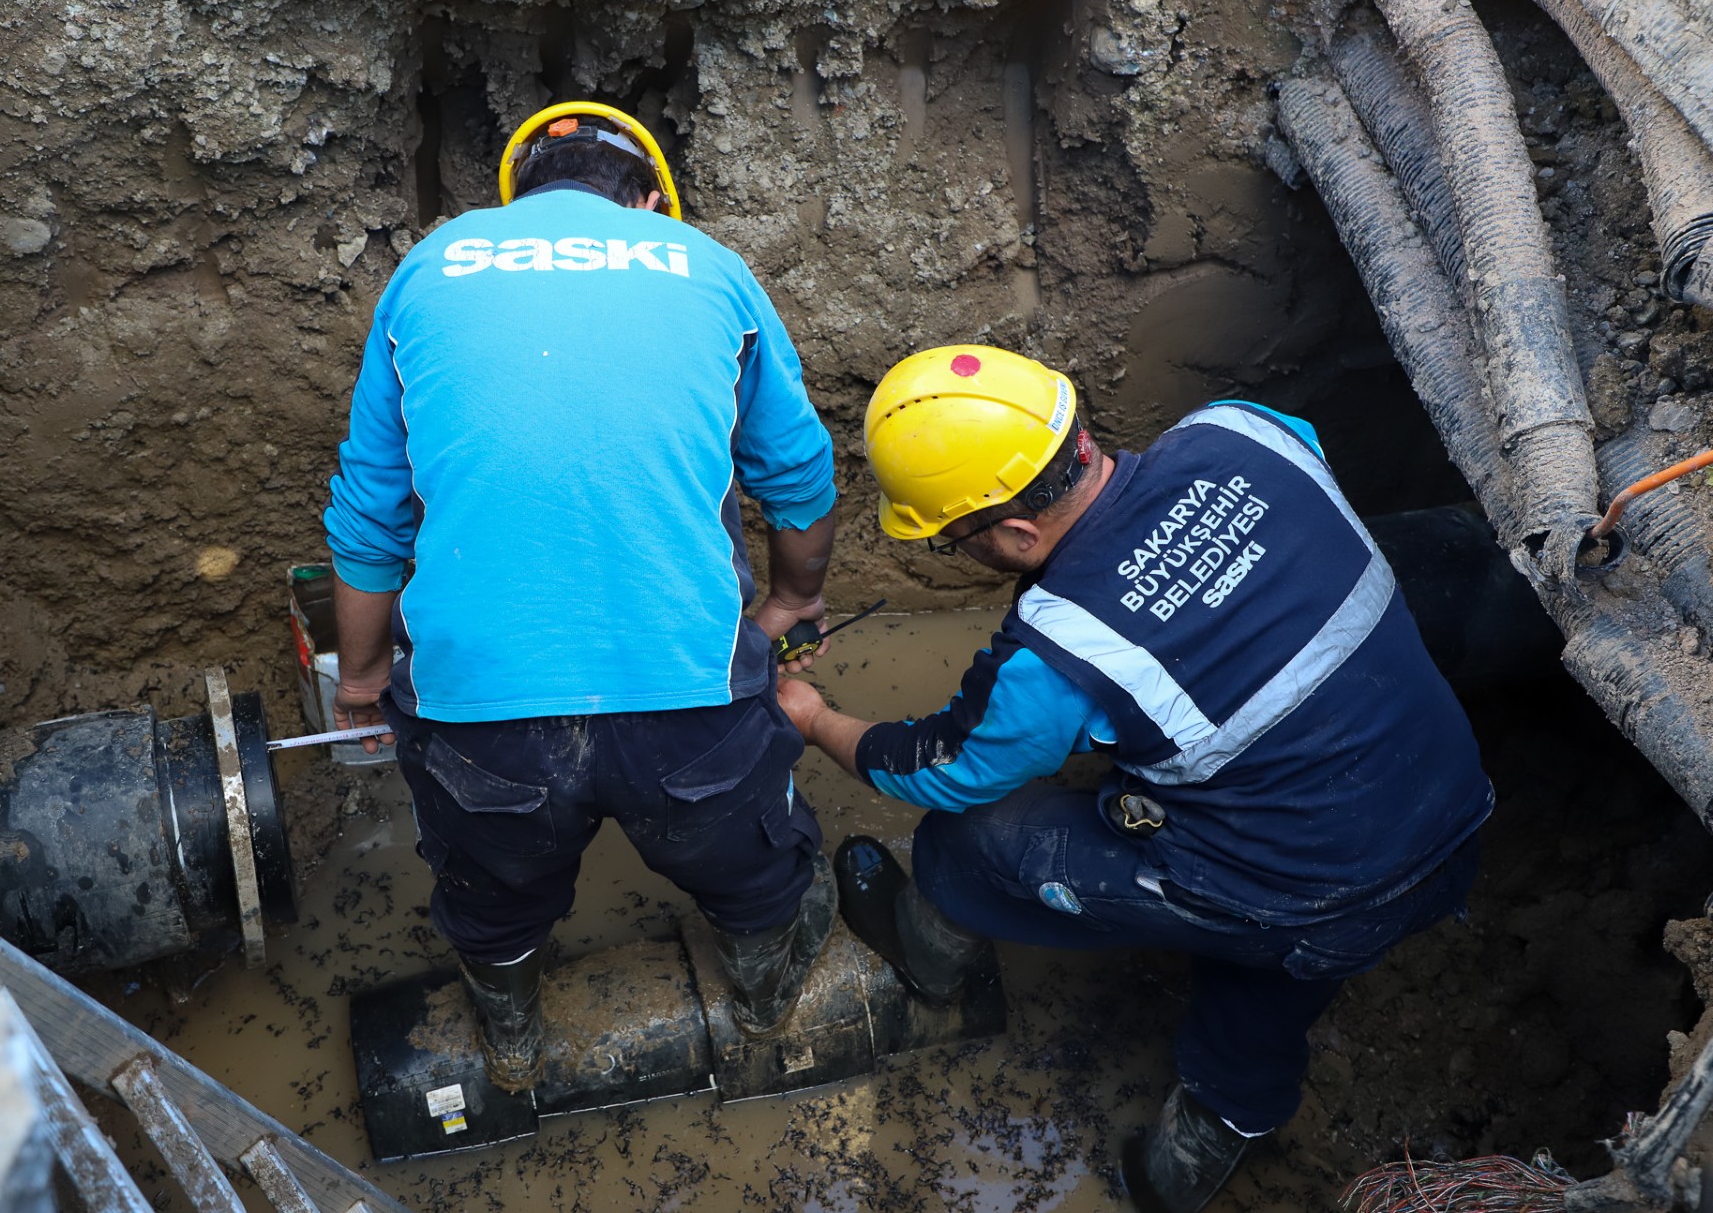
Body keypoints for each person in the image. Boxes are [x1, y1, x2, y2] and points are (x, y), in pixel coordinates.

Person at [778, 345, 1492, 1213]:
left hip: (1309, 897)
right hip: (1453, 806)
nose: (953, 550)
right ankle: (1193, 1157)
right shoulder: (1243, 429)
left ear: (1014, 533)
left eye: (950, 536)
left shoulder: (1059, 649)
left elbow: (951, 768)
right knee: (1267, 980)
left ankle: (934, 964)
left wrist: (815, 719)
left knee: (967, 841)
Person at [322, 101, 840, 1091]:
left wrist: (361, 677)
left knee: (492, 895)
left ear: (522, 196)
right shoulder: (705, 264)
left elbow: (369, 519)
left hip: (483, 711)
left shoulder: (431, 268)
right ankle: (764, 1002)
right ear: (647, 200)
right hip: (691, 698)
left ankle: (512, 1043)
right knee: (754, 874)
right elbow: (801, 474)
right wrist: (790, 605)